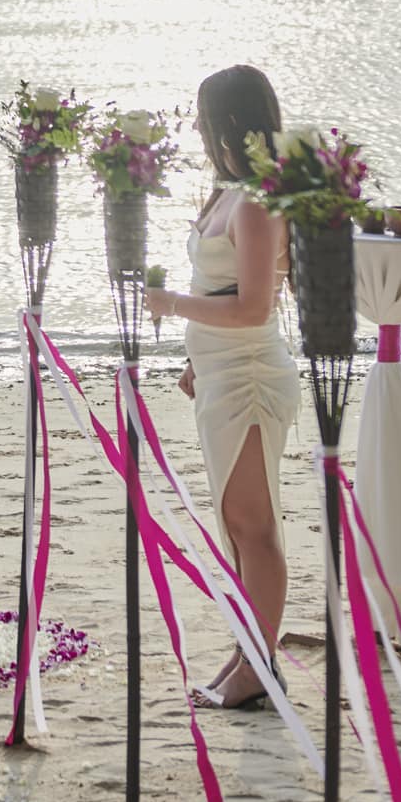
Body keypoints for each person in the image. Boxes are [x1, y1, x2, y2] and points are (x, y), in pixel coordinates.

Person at [145, 63, 302, 711]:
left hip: (250, 377)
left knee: (253, 525)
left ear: (229, 123)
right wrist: (193, 361)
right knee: (233, 527)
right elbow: (224, 291)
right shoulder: (226, 194)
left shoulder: (261, 202)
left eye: (204, 120)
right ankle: (246, 652)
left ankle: (258, 666)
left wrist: (171, 305)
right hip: (218, 374)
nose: (198, 131)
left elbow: (253, 309)